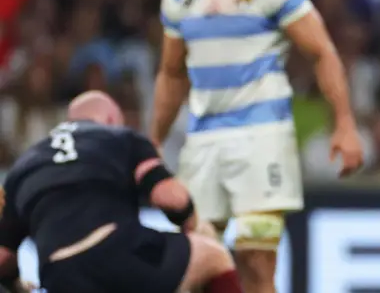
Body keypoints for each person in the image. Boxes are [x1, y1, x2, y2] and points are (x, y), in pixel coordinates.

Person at [149, 0, 364, 293]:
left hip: (262, 137)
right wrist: (154, 141)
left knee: (255, 261)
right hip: (203, 140)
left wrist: (345, 124)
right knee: (196, 261)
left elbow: (322, 52)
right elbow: (171, 73)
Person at [0, 91, 242, 293]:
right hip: (116, 252)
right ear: (111, 118)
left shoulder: (22, 167)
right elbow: (171, 198)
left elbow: (3, 258)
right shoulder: (120, 137)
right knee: (212, 257)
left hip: (59, 275)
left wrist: (17, 285)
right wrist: (193, 225)